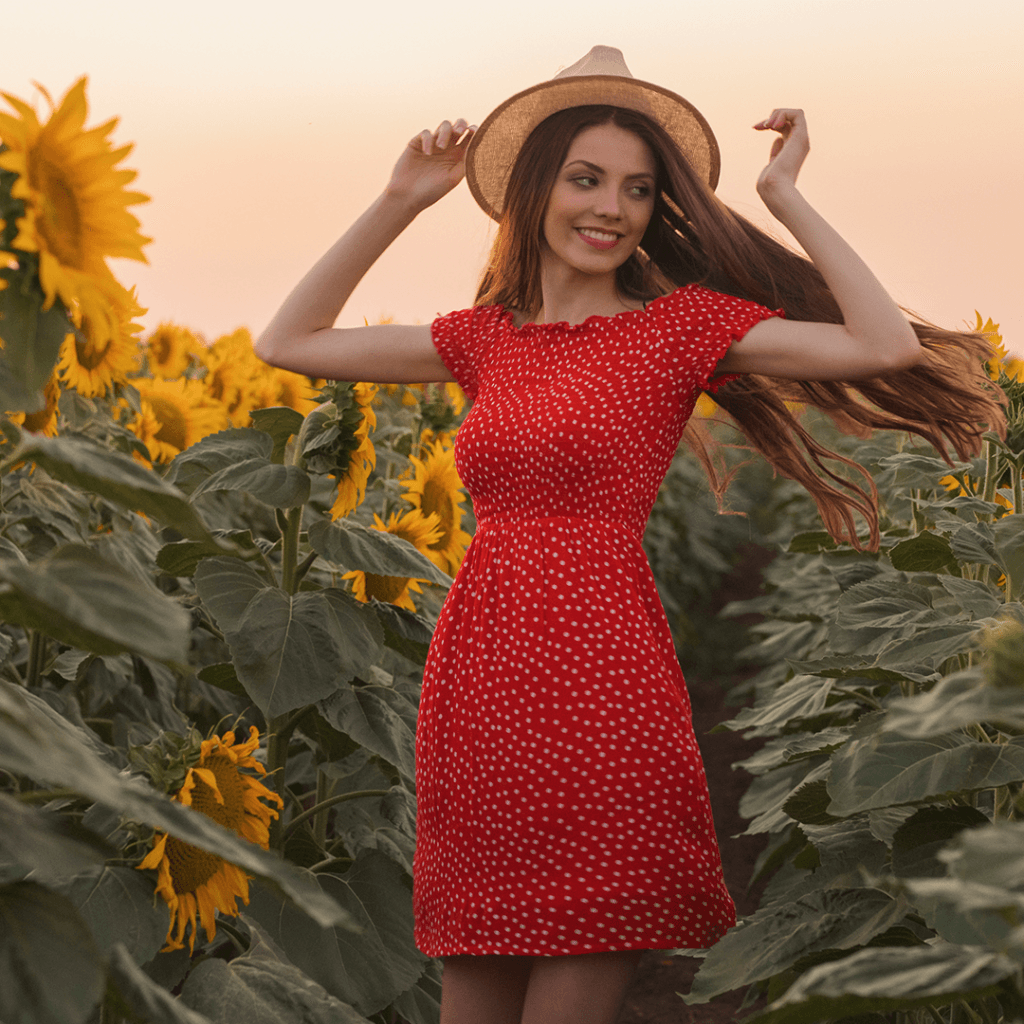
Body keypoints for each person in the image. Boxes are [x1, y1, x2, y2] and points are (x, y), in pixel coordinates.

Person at [256, 46, 1003, 1024]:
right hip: (480, 683)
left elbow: (880, 344)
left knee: (576, 972)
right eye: (586, 178)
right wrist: (402, 198)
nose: (611, 207)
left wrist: (786, 195)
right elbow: (289, 340)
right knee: (469, 980)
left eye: (639, 189)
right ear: (537, 190)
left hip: (605, 682)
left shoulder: (676, 329)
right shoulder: (483, 338)